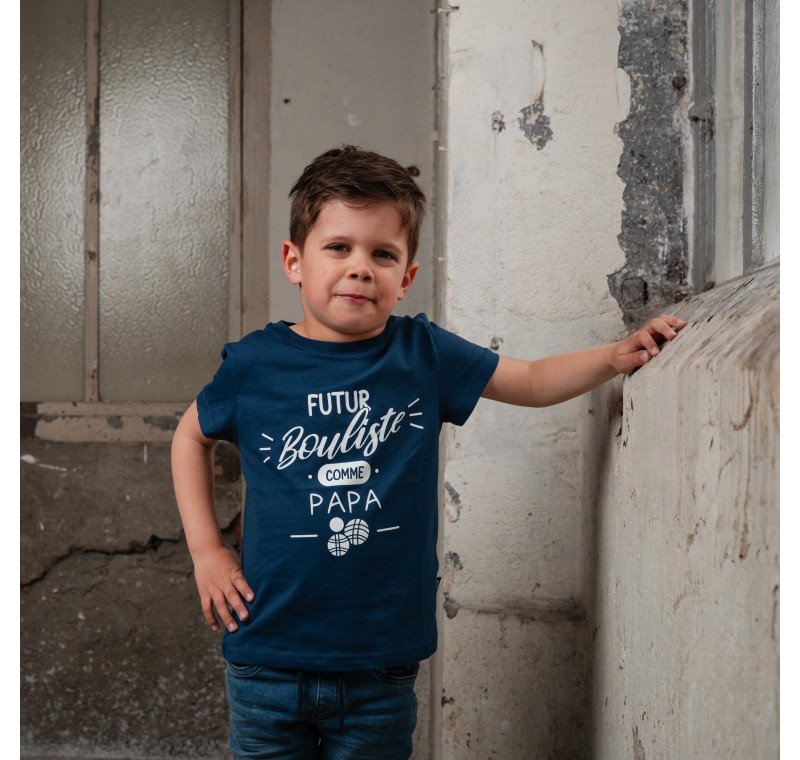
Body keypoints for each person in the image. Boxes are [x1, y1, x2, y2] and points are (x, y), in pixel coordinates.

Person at [171, 145, 686, 759]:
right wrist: (206, 551)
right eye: (339, 247)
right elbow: (189, 437)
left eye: (382, 254)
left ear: (407, 278)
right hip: (267, 659)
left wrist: (612, 356)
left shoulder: (423, 354)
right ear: (294, 261)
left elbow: (528, 380)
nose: (360, 268)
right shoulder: (253, 366)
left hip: (381, 666)